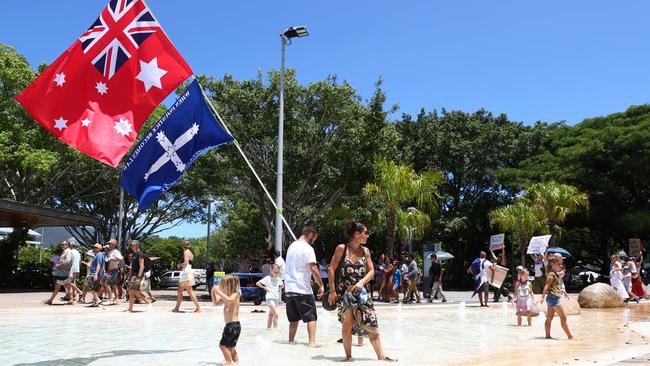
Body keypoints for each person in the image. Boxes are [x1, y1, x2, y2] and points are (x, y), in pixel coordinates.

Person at [328, 220, 396, 362]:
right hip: (344, 294)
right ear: (357, 234)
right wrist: (332, 291)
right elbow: (331, 269)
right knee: (347, 325)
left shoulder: (366, 251)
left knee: (371, 323)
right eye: (365, 233)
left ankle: (382, 357)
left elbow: (371, 271)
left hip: (362, 295)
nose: (367, 235)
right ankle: (348, 357)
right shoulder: (342, 248)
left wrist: (361, 282)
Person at [284, 226, 324, 347]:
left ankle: (290, 341)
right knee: (311, 317)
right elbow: (313, 268)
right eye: (314, 239)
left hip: (289, 289)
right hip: (303, 289)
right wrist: (321, 285)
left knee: (293, 319)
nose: (314, 241)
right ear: (310, 234)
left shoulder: (291, 246)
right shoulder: (308, 248)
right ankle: (312, 343)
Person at [539, 256, 573, 339]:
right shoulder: (551, 274)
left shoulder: (554, 274)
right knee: (563, 317)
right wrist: (542, 297)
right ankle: (570, 337)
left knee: (549, 317)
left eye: (561, 264)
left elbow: (554, 286)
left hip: (552, 297)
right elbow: (546, 286)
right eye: (559, 264)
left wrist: (563, 291)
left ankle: (547, 336)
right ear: (552, 264)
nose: (561, 266)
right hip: (553, 298)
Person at [211, 274, 241, 366]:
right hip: (231, 325)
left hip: (233, 325)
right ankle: (236, 363)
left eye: (223, 285)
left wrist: (218, 292)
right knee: (231, 348)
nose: (221, 287)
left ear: (230, 285)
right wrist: (213, 293)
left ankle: (228, 363)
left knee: (222, 346)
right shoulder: (228, 296)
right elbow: (215, 303)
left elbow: (228, 300)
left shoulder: (235, 294)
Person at [172, 240, 201, 313]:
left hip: (186, 272)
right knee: (189, 291)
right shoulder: (190, 252)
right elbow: (190, 262)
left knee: (180, 291)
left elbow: (185, 263)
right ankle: (198, 308)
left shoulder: (185, 252)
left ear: (182, 246)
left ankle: (177, 308)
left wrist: (179, 265)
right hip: (189, 272)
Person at [44, 241, 73, 305]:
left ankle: (50, 300)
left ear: (68, 245)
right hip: (64, 271)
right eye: (62, 244)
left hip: (63, 271)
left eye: (65, 244)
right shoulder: (67, 251)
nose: (63, 245)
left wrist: (60, 265)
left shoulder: (68, 251)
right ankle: (71, 300)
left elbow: (68, 260)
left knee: (58, 286)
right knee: (68, 286)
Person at [256, 264, 284, 329]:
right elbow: (257, 283)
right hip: (269, 298)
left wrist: (279, 289)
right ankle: (276, 329)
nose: (277, 274)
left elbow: (282, 285)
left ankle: (268, 329)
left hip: (276, 298)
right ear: (271, 271)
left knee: (270, 315)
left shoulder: (278, 279)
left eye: (278, 272)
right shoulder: (267, 278)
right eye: (275, 272)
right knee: (276, 314)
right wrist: (265, 287)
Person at [126, 240, 151, 312]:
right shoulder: (135, 254)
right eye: (131, 245)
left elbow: (142, 266)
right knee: (131, 292)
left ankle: (148, 302)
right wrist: (129, 277)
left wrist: (139, 277)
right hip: (134, 275)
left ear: (137, 245)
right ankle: (130, 309)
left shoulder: (140, 254)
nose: (131, 247)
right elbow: (133, 267)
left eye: (133, 245)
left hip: (137, 275)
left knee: (133, 291)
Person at [104, 239, 123, 305]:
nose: (109, 244)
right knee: (114, 285)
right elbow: (109, 262)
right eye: (109, 243)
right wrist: (108, 271)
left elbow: (121, 259)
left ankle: (110, 299)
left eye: (111, 243)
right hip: (111, 270)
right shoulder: (110, 252)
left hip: (114, 270)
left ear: (115, 245)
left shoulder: (116, 251)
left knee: (106, 283)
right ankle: (116, 299)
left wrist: (113, 259)